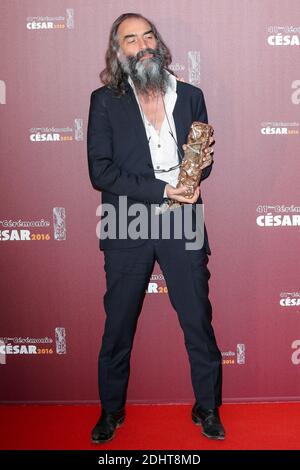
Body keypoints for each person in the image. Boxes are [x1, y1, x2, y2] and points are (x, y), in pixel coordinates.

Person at [87, 12, 225, 443]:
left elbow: (198, 166)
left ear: (159, 44)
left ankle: (207, 407)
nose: (142, 44)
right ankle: (111, 411)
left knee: (197, 320)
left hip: (182, 221)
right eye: (131, 39)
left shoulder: (191, 96)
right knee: (118, 326)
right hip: (127, 221)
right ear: (119, 51)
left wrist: (198, 166)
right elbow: (101, 172)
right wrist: (165, 188)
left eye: (148, 36)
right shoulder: (104, 100)